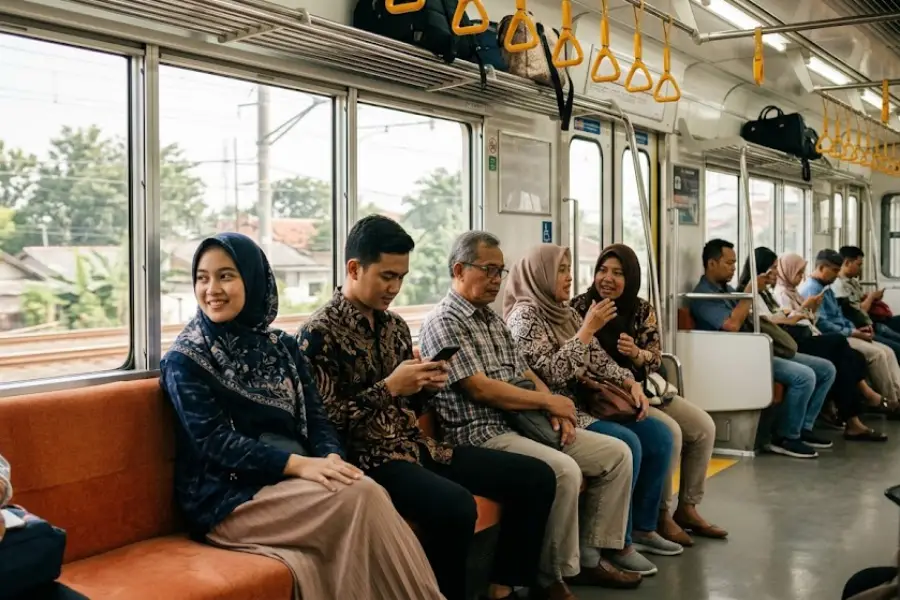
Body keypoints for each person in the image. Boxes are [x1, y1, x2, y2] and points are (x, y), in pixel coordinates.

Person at [159, 232, 445, 600]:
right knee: (362, 497)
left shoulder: (281, 346)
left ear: (253, 278)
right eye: (202, 277)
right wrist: (300, 466)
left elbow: (317, 417)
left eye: (226, 275)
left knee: (358, 494)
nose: (212, 288)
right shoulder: (185, 359)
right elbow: (215, 443)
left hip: (291, 483)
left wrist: (330, 459)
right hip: (227, 497)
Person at [298, 216, 557, 600]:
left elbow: (409, 402)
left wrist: (425, 386)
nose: (395, 288)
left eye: (401, 277)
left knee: (537, 477)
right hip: (370, 459)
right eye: (387, 276)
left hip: (418, 447)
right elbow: (325, 423)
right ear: (354, 268)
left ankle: (502, 588)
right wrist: (389, 388)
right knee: (454, 506)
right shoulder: (318, 334)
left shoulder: (395, 328)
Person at [420, 231, 642, 600]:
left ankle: (591, 555)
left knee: (616, 454)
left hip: (522, 420)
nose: (496, 280)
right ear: (459, 270)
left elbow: (524, 372)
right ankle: (552, 574)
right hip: (480, 432)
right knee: (563, 470)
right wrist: (544, 404)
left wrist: (552, 405)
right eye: (488, 270)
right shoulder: (445, 320)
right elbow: (479, 388)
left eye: (500, 272)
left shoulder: (490, 320)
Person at [503, 243, 680, 578]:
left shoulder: (564, 311)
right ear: (539, 274)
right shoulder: (525, 316)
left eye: (570, 269)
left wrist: (630, 383)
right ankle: (611, 544)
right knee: (627, 443)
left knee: (658, 434)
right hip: (554, 411)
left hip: (582, 402)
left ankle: (642, 528)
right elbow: (551, 373)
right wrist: (586, 330)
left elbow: (597, 358)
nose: (570, 278)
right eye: (561, 270)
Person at [572, 244, 727, 543]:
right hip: (606, 396)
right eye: (602, 270)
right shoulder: (580, 308)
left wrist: (636, 353)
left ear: (631, 277)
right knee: (670, 432)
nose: (608, 278)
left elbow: (655, 357)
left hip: (644, 388)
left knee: (703, 426)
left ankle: (688, 507)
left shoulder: (642, 309)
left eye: (618, 273)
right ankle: (660, 514)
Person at [690, 239, 835, 459]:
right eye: (728, 263)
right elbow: (731, 326)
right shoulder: (703, 296)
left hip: (753, 348)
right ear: (711, 263)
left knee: (826, 369)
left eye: (734, 263)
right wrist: (750, 291)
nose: (733, 268)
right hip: (735, 355)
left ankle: (803, 427)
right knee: (804, 376)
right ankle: (785, 436)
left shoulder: (727, 291)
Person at [769, 252, 888, 441]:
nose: (802, 277)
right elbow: (786, 323)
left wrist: (808, 311)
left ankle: (853, 416)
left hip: (807, 336)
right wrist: (805, 310)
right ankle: (862, 407)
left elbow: (810, 320)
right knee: (839, 346)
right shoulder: (782, 294)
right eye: (798, 273)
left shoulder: (793, 292)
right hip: (793, 342)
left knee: (852, 357)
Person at [798, 249, 900, 418]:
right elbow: (823, 324)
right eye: (835, 271)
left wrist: (857, 329)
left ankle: (897, 395)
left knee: (888, 352)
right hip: (837, 336)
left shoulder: (826, 289)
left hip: (847, 331)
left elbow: (839, 316)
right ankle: (890, 402)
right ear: (823, 268)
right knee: (877, 354)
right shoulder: (812, 290)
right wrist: (852, 332)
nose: (837, 275)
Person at [834, 246, 900, 355]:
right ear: (847, 262)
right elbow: (860, 311)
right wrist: (871, 297)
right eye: (858, 264)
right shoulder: (839, 286)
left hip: (873, 321)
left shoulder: (853, 282)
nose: (861, 268)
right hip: (863, 325)